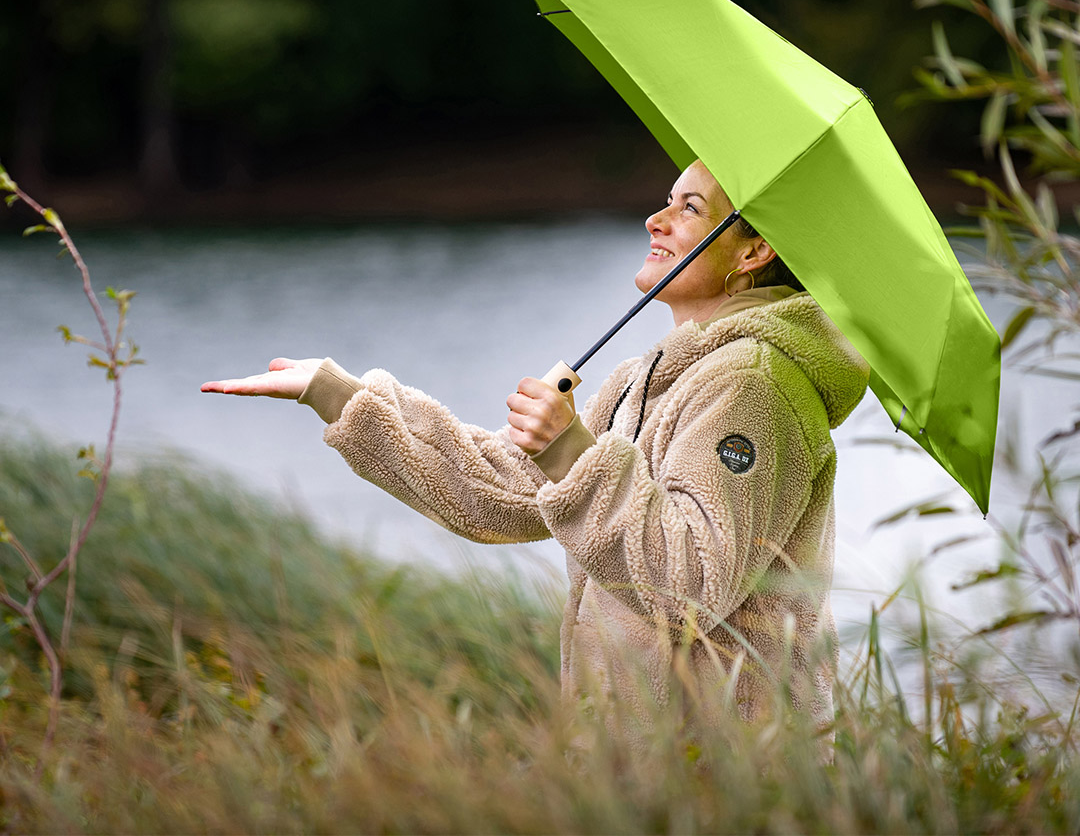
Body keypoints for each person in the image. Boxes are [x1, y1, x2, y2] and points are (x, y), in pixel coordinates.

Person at [201, 159, 869, 736]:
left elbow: (688, 585)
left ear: (751, 253)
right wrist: (336, 393)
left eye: (688, 208)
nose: (655, 220)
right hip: (634, 766)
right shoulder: (646, 379)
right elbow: (501, 495)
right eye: (666, 200)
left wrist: (571, 448)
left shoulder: (753, 386)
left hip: (723, 778)